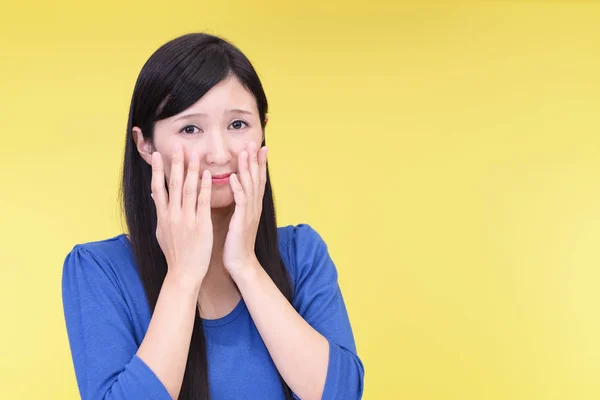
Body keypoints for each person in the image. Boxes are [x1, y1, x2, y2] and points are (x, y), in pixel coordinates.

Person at [61, 33, 364, 400]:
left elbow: (340, 394)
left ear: (263, 127)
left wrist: (246, 266)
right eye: (190, 128)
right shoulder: (98, 269)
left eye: (238, 125)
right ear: (145, 144)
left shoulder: (302, 253)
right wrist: (183, 278)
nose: (220, 154)